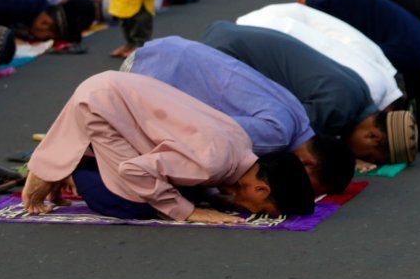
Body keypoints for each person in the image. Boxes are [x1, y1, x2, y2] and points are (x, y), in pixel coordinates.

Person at [21, 72, 315, 223]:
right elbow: (134, 171)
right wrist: (187, 212)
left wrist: (209, 199)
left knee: (177, 192)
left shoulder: (241, 144)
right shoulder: (212, 163)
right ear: (262, 190)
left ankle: (70, 154)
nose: (253, 211)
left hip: (114, 90)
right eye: (264, 209)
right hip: (101, 105)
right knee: (135, 205)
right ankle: (70, 168)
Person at [122, 36, 354, 194]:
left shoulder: (298, 116)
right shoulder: (278, 135)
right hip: (147, 73)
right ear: (307, 164)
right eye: (307, 187)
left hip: (165, 52)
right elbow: (209, 134)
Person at [201, 20, 417, 166]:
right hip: (226, 52)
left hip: (229, 35)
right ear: (373, 135)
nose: (358, 156)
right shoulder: (340, 108)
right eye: (367, 155)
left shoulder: (361, 94)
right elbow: (289, 135)